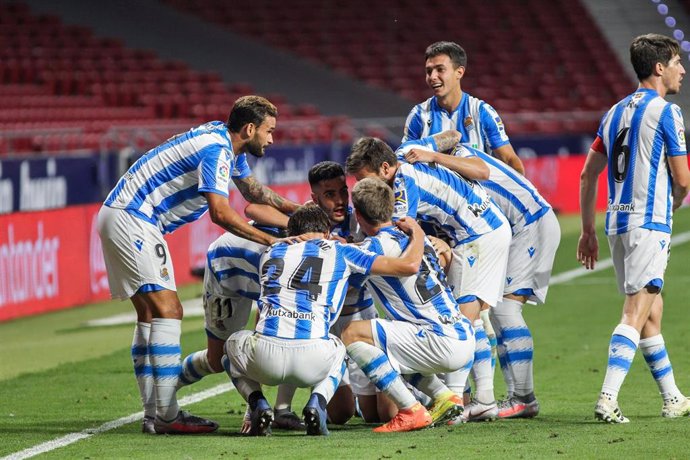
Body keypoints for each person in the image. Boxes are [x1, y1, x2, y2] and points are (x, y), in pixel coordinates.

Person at [97, 95, 301, 434]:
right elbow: (221, 213)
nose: (272, 139)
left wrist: (297, 211)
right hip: (135, 218)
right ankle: (167, 415)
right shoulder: (217, 150)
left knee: (150, 315)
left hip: (120, 214)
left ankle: (154, 414)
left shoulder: (223, 142)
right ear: (249, 129)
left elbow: (252, 192)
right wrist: (273, 242)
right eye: (269, 131)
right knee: (168, 310)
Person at [346, 137, 511, 421]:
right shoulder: (406, 153)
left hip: (479, 235)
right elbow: (453, 136)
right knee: (469, 319)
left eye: (364, 179)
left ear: (385, 169)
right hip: (476, 231)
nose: (361, 186)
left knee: (465, 320)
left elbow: (396, 234)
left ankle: (457, 402)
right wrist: (431, 151)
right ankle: (479, 398)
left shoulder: (402, 186)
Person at [223, 205, 428, 436]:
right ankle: (318, 401)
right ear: (327, 232)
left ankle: (257, 402)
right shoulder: (339, 249)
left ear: (291, 232)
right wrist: (418, 233)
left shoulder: (271, 251)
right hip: (313, 360)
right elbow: (409, 266)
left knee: (229, 348)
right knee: (341, 344)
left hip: (264, 359)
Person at [404, 132, 561, 419]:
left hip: (529, 223)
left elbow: (482, 170)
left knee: (504, 311)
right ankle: (487, 397)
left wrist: (436, 156)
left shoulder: (461, 155)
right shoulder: (436, 169)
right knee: (481, 310)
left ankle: (522, 398)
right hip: (513, 227)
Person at [577, 33, 690, 423]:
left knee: (651, 312)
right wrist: (677, 198)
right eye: (677, 62)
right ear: (659, 68)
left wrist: (587, 231)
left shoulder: (613, 113)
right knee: (634, 312)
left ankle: (673, 397)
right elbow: (683, 177)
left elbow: (587, 175)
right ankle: (607, 398)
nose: (682, 70)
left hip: (616, 224)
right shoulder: (666, 112)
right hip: (649, 224)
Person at [341, 178, 475, 433]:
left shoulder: (373, 248)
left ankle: (410, 409)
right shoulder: (416, 238)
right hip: (461, 332)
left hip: (439, 341)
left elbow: (347, 283)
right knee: (385, 346)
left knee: (352, 333)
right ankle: (443, 397)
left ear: (358, 215)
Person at [402, 41, 524, 174]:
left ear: (459, 72)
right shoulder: (418, 115)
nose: (432, 77)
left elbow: (510, 160)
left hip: (478, 193)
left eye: (440, 70)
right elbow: (404, 160)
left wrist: (521, 192)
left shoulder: (481, 112)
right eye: (428, 71)